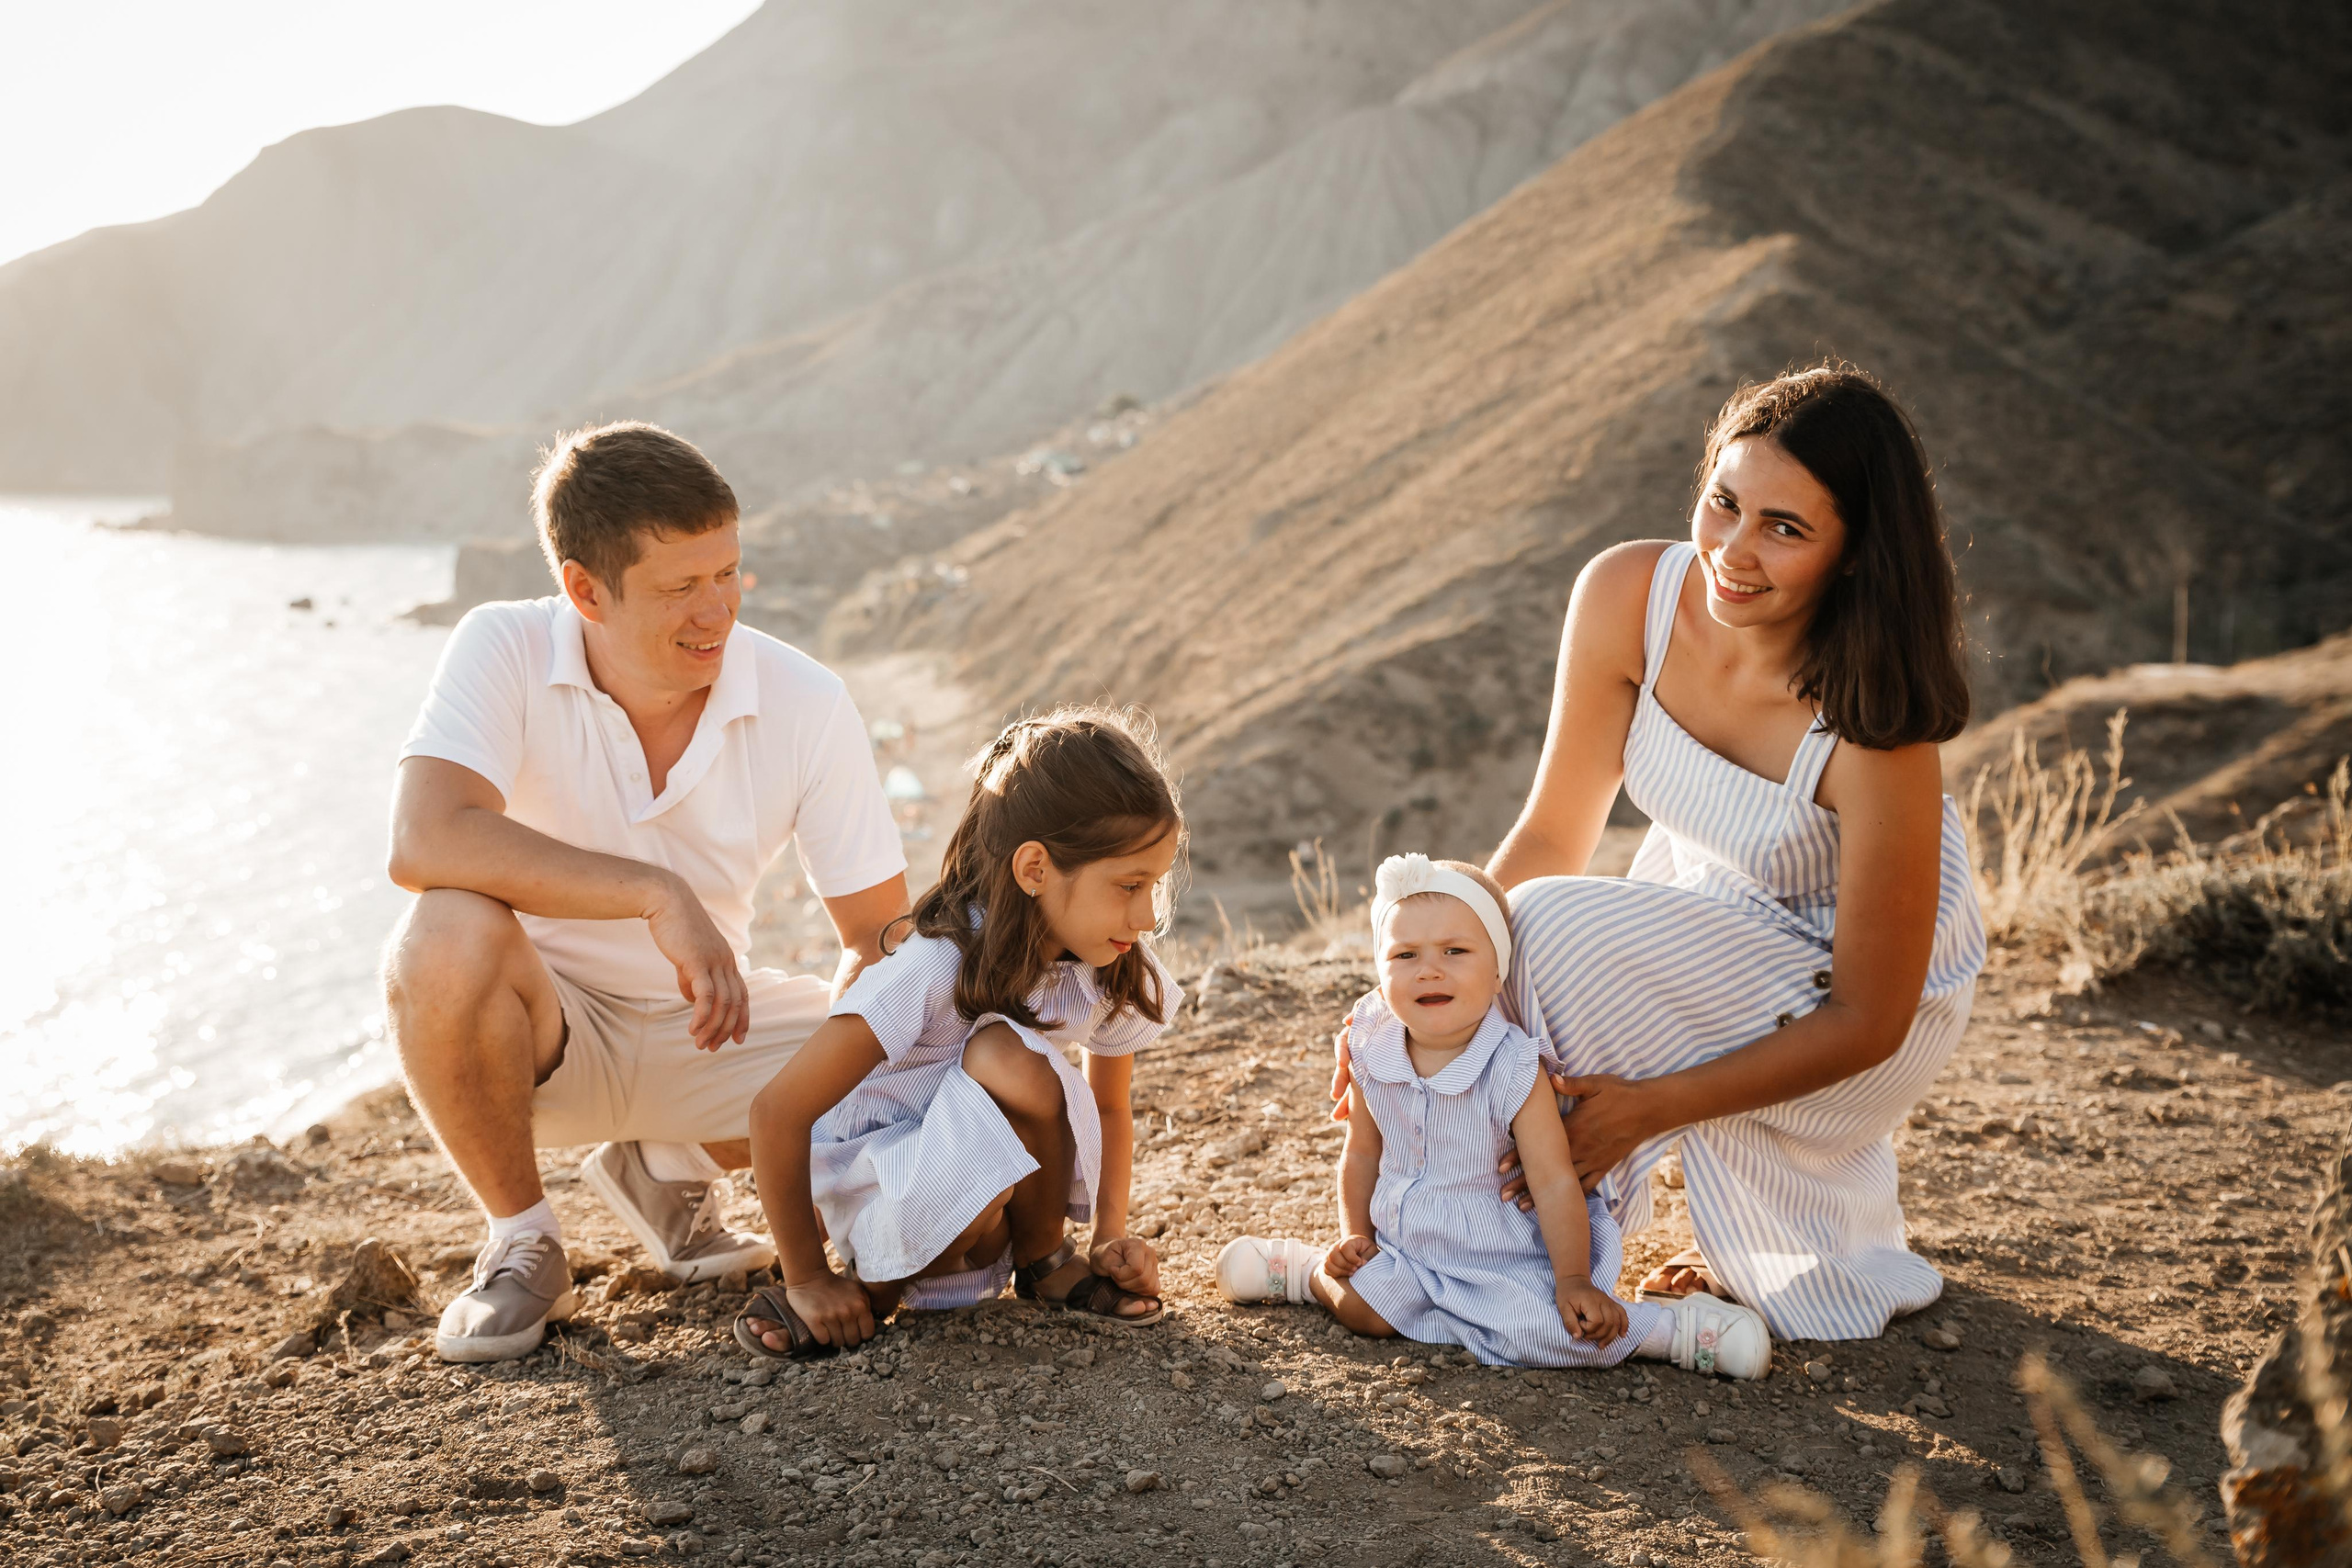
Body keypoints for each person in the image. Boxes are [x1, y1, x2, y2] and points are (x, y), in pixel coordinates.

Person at [1338, 365, 1985, 1341]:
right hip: (1716, 903)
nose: (1730, 549)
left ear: (1853, 555)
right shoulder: (1627, 592)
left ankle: (1552, 1271)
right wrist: (1390, 998)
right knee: (1504, 942)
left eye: (1784, 528)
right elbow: (1554, 832)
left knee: (1548, 930)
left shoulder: (1875, 727)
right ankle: (1465, 1235)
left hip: (1856, 999)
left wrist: (1649, 1108)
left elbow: (1869, 1019)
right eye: (1723, 503)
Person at [384, 422, 910, 1364]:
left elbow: (877, 935)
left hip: (718, 1031)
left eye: (728, 574)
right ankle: (525, 1241)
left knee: (934, 1061)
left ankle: (665, 1163)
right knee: (441, 931)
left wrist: (861, 1078)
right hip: (539, 1046)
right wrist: (655, 893)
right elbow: (426, 836)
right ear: (585, 589)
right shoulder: (502, 647)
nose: (717, 612)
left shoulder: (806, 699)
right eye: (679, 588)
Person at [735, 708, 1182, 1358]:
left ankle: (1046, 1263)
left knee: (1009, 1061)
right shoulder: (934, 963)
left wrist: (1108, 1238)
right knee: (1001, 1054)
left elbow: (1110, 1104)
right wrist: (807, 1274)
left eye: (1156, 886)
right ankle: (865, 1293)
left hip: (991, 1211)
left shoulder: (1106, 963)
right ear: (1034, 869)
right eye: (1129, 885)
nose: (1145, 915)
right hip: (886, 1195)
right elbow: (776, 1111)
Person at [1223, 856, 1769, 1377]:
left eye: (1455, 951)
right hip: (1405, 1248)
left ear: (1497, 971)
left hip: (1501, 1255)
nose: (1429, 971)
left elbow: (1554, 1181)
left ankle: (1673, 1333)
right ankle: (1307, 1273)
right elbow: (1362, 1151)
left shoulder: (1513, 1065)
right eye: (1404, 956)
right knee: (1366, 1311)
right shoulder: (1370, 1046)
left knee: (1561, 1330)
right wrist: (1354, 1237)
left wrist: (1573, 1278)